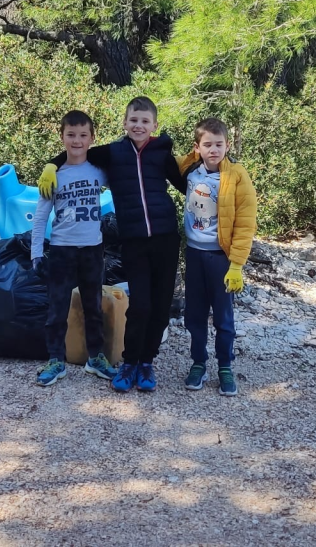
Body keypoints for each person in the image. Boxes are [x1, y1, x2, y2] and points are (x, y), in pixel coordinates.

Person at [39, 96, 185, 393]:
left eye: (145, 121)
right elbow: (78, 152)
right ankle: (129, 362)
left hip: (166, 238)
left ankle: (147, 362)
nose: (139, 125)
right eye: (133, 120)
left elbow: (187, 184)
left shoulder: (162, 152)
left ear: (155, 125)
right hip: (132, 240)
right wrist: (50, 165)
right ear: (125, 123)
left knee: (159, 308)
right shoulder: (113, 153)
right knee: (140, 305)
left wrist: (219, 174)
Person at [31, 110, 117, 386]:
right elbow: (41, 216)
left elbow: (123, 178)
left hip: (92, 250)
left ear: (92, 138)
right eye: (71, 135)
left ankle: (95, 357)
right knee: (57, 308)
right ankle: (56, 359)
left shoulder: (98, 171)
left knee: (93, 306)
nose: (77, 141)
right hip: (61, 251)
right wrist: (35, 253)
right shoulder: (54, 175)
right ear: (62, 137)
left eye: (83, 135)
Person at [177, 117, 257, 396]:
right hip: (194, 255)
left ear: (227, 145)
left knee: (223, 317)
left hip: (221, 258)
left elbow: (246, 222)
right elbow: (162, 160)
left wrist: (236, 264)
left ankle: (225, 366)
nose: (214, 149)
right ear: (197, 148)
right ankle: (199, 363)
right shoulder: (189, 170)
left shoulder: (236, 175)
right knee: (195, 315)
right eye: (207, 144)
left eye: (219, 144)